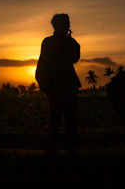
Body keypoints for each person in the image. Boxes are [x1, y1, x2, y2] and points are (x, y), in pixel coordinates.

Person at [35, 13, 81, 154]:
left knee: (67, 121)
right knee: (59, 120)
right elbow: (43, 63)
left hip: (63, 85)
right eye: (66, 23)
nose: (68, 26)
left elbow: (74, 57)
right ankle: (58, 150)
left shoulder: (56, 42)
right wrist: (43, 83)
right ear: (58, 25)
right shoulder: (50, 42)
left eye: (68, 23)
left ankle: (62, 149)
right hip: (59, 86)